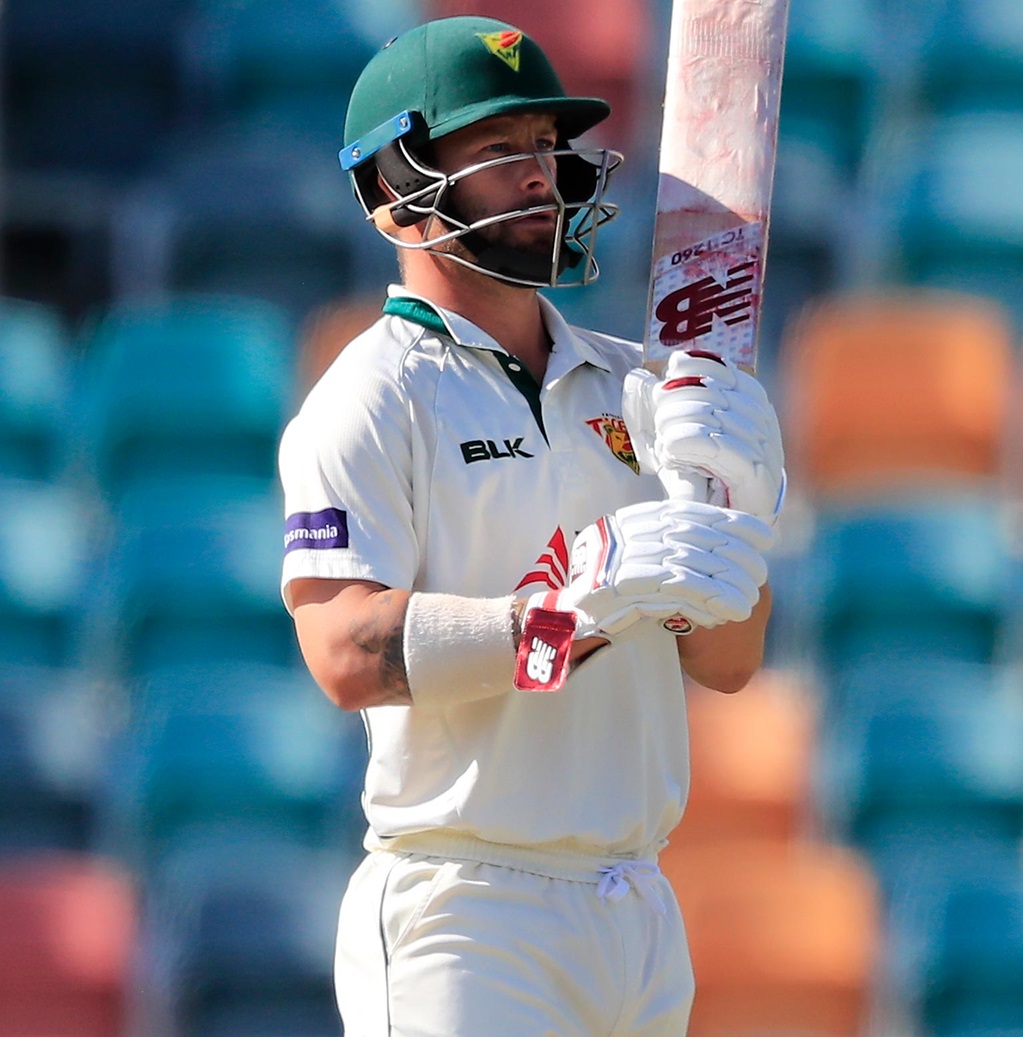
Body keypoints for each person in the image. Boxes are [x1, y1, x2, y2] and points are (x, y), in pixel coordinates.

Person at [278, 15, 787, 1036]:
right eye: (499, 150)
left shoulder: (646, 387)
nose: (540, 175)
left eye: (547, 147)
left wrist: (733, 500)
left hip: (635, 904)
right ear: (395, 185)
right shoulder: (371, 398)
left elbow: (730, 658)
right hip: (466, 907)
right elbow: (342, 652)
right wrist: (562, 614)